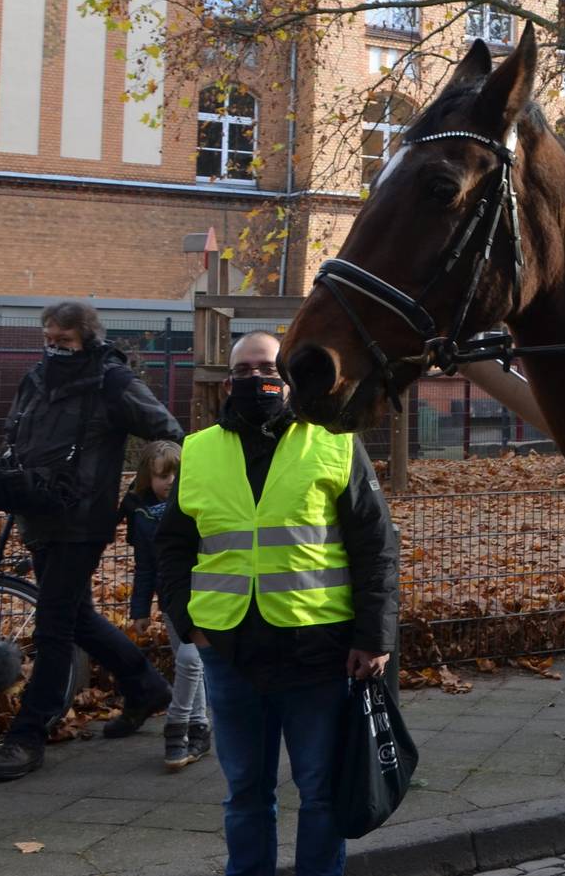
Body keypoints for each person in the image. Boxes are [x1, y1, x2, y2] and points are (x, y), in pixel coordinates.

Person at [156, 332, 400, 876]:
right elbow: (172, 544)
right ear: (228, 382)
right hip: (230, 650)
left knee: (318, 792)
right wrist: (185, 618)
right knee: (245, 792)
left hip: (317, 649)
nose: (254, 378)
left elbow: (375, 545)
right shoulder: (197, 451)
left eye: (267, 367)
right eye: (243, 370)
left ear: (288, 377)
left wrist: (373, 637)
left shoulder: (335, 441)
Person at [0, 300, 184, 782]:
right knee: (75, 615)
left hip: (81, 522)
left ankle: (29, 734)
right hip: (37, 513)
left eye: (65, 342)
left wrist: (146, 489)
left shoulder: (112, 382)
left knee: (53, 627)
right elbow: (18, 436)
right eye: (49, 340)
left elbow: (169, 430)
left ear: (87, 339)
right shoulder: (34, 380)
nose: (55, 350)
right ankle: (145, 687)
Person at [121, 440, 212, 771]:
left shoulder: (196, 503)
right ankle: (199, 728)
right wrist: (140, 608)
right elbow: (145, 566)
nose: (171, 481)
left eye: (176, 473)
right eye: (163, 475)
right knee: (191, 664)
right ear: (148, 477)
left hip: (202, 594)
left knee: (190, 660)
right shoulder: (143, 516)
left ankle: (176, 725)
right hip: (172, 599)